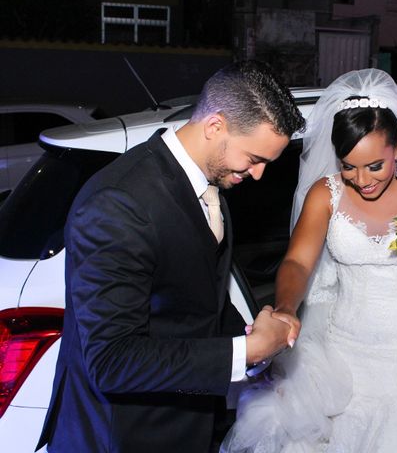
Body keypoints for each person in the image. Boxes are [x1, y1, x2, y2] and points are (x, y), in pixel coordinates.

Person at [36, 60, 306, 453]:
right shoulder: (119, 203)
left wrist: (257, 345)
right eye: (254, 158)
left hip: (186, 425)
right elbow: (112, 361)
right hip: (122, 437)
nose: (259, 174)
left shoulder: (209, 184)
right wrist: (243, 352)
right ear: (215, 126)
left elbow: (194, 301)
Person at [222, 69, 397, 452]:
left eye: (374, 166)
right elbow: (297, 263)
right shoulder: (325, 194)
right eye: (349, 165)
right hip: (343, 355)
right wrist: (286, 308)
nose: (361, 179)